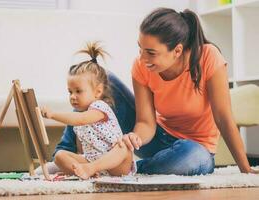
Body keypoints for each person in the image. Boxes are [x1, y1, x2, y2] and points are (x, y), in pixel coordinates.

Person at [52, 8, 259, 176]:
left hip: (195, 148)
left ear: (177, 51)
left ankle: (121, 168)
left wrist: (245, 168)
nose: (142, 58)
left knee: (194, 158)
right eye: (140, 49)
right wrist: (134, 136)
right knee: (97, 81)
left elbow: (223, 117)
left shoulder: (208, 57)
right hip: (155, 138)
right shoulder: (142, 66)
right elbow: (146, 122)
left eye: (151, 53)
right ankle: (63, 156)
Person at [41, 42, 135, 179]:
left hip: (116, 164)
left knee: (124, 147)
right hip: (92, 160)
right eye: (70, 92)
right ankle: (85, 171)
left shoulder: (100, 107)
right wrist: (73, 164)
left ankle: (91, 169)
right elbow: (81, 148)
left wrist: (53, 114)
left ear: (98, 92)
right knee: (60, 156)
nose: (73, 96)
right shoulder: (79, 119)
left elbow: (81, 119)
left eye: (78, 91)